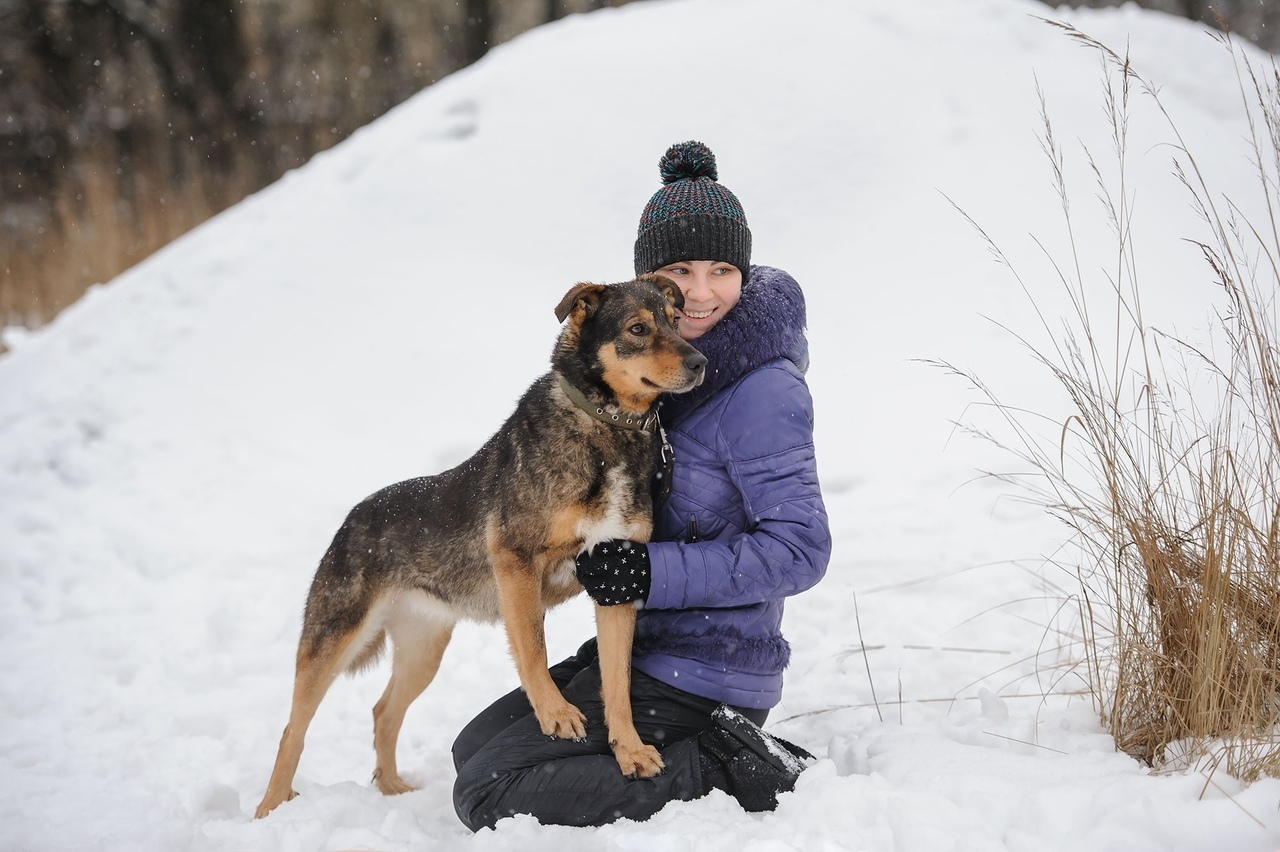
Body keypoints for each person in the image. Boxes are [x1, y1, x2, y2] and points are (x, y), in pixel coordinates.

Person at [451, 140, 831, 830]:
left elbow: (801, 550)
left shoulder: (762, 390)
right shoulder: (663, 368)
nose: (701, 291)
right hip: (646, 647)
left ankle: (727, 762)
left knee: (486, 789)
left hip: (709, 665)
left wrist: (647, 571)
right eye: (679, 270)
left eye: (722, 269)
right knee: (473, 749)